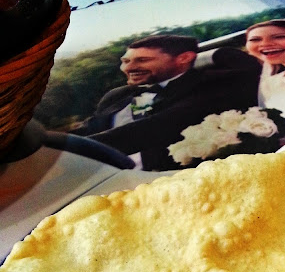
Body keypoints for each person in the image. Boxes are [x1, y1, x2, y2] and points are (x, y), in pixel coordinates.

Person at [76, 34, 261, 170]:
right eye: (125, 61)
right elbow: (88, 129)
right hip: (97, 176)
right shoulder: (116, 95)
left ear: (184, 58)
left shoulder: (209, 86)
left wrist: (71, 149)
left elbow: (156, 127)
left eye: (142, 60)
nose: (128, 68)